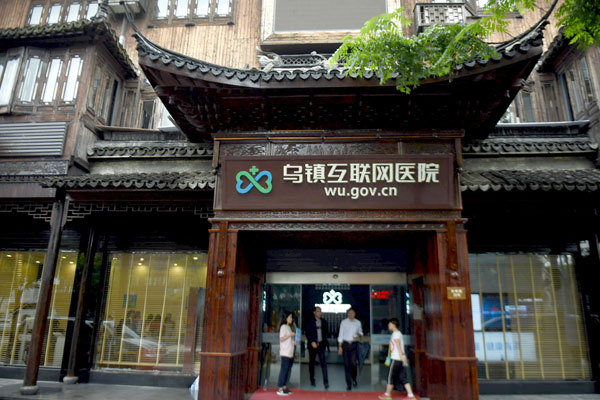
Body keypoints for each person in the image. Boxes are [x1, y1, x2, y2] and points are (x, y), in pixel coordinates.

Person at [378, 317, 415, 400]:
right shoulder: (397, 333)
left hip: (396, 359)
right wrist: (403, 357)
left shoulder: (396, 334)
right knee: (402, 377)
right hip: (399, 358)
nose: (388, 325)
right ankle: (410, 395)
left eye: (390, 324)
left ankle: (387, 394)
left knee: (390, 376)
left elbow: (398, 345)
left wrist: (401, 356)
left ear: (393, 325)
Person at [337, 307, 363, 391]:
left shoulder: (358, 322)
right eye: (349, 313)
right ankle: (348, 384)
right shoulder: (343, 322)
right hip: (345, 344)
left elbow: (361, 332)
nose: (350, 314)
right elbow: (340, 335)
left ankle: (354, 378)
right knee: (347, 364)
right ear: (347, 314)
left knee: (353, 364)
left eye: (352, 313)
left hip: (354, 345)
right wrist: (340, 347)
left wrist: (359, 335)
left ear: (355, 314)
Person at [305, 306, 329, 388]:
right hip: (313, 346)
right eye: (318, 311)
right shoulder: (310, 322)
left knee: (323, 363)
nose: (320, 313)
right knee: (312, 363)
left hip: (321, 345)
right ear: (314, 312)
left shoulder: (324, 322)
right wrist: (312, 342)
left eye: (320, 311)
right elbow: (307, 333)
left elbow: (326, 333)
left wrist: (324, 343)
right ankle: (312, 380)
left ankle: (326, 382)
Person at [277, 311, 296, 396]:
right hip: (285, 352)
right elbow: (281, 338)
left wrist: (294, 342)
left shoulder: (289, 327)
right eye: (290, 317)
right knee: (284, 370)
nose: (291, 319)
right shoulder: (283, 327)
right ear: (286, 318)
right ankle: (280, 387)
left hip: (290, 352)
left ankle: (284, 386)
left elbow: (289, 340)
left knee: (287, 370)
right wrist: (290, 335)